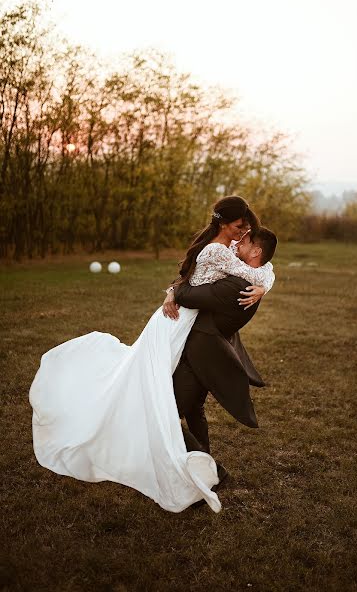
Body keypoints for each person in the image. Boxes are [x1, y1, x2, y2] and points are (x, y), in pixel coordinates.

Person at [29, 196, 275, 513]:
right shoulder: (217, 249)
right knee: (152, 391)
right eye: (240, 227)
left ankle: (205, 468)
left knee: (171, 396)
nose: (244, 233)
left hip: (186, 324)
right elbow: (254, 272)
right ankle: (203, 468)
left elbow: (261, 267)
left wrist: (265, 282)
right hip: (175, 325)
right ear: (224, 224)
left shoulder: (226, 247)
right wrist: (264, 283)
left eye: (247, 229)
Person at [164, 228, 277, 481]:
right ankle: (203, 471)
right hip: (207, 350)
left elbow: (189, 295)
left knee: (165, 416)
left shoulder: (238, 285)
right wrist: (267, 285)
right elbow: (269, 270)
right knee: (194, 409)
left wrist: (173, 291)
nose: (237, 241)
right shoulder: (253, 278)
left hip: (202, 355)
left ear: (256, 251)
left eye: (245, 241)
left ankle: (212, 473)